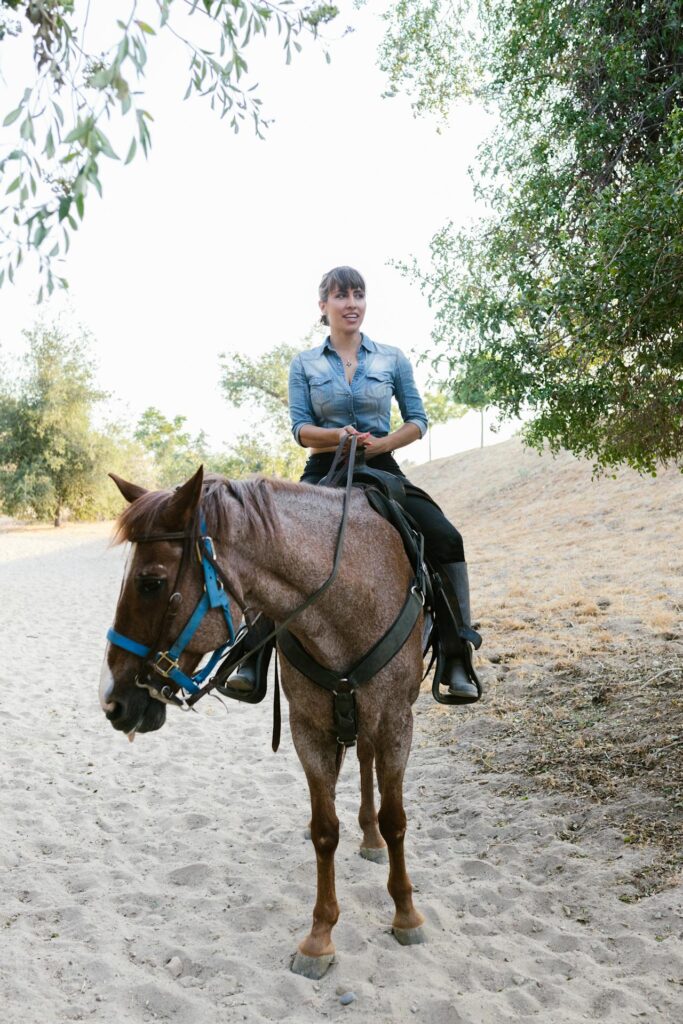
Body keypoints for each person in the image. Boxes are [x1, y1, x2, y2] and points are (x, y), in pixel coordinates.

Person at [223, 265, 480, 703]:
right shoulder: (304, 363)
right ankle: (253, 655)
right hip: (322, 472)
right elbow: (301, 429)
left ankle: (457, 654)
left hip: (380, 468)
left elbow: (417, 420)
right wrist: (337, 436)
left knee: (444, 537)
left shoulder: (391, 358)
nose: (351, 304)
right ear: (323, 307)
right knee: (274, 547)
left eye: (358, 295)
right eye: (341, 296)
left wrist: (381, 445)